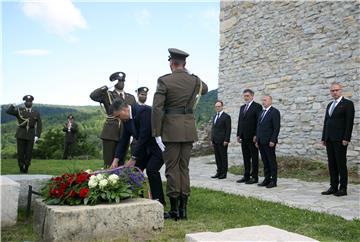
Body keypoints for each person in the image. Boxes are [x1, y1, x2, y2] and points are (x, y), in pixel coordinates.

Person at [152, 48, 208, 220]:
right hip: (188, 129)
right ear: (185, 63)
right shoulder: (195, 81)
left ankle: (175, 210)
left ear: (171, 63)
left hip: (170, 130)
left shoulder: (164, 80)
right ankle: (184, 210)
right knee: (184, 168)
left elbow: (157, 108)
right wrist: (190, 74)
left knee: (172, 168)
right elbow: (204, 89)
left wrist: (156, 133)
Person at [109, 98, 167, 210]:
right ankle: (138, 199)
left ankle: (159, 201)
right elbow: (123, 140)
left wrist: (133, 158)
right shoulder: (125, 121)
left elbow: (144, 137)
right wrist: (116, 159)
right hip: (145, 148)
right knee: (135, 170)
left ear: (125, 109)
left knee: (152, 170)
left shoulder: (143, 111)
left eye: (118, 116)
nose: (118, 119)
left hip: (158, 146)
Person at [90, 71, 136, 167]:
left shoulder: (131, 97)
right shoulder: (107, 95)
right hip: (110, 131)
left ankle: (119, 181)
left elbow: (133, 114)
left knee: (121, 160)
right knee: (109, 162)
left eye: (123, 80)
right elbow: (93, 96)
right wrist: (107, 86)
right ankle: (107, 180)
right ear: (114, 82)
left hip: (126, 130)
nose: (121, 82)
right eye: (118, 81)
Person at [321, 82, 355, 197]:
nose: (334, 92)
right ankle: (333, 186)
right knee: (332, 163)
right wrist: (324, 137)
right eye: (332, 91)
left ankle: (343, 188)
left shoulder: (347, 104)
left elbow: (349, 122)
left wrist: (346, 138)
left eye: (336, 90)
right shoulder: (330, 104)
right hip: (329, 138)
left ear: (341, 90)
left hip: (340, 139)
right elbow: (326, 121)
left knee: (341, 163)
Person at [6, 95, 42, 173]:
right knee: (21, 152)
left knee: (29, 153)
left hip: (31, 134)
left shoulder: (35, 112)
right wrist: (13, 105)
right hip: (21, 134)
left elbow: (39, 125)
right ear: (24, 102)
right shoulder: (20, 110)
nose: (29, 103)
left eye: (30, 102)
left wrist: (37, 135)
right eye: (27, 101)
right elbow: (8, 111)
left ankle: (27, 166)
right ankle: (21, 167)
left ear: (32, 103)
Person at [236, 89, 262, 184]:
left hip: (252, 137)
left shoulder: (257, 106)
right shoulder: (242, 107)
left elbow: (259, 122)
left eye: (247, 96)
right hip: (243, 137)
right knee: (246, 157)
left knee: (254, 157)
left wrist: (256, 135)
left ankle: (254, 177)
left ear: (252, 96)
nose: (245, 97)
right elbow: (240, 122)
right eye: (244, 96)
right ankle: (246, 176)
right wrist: (238, 134)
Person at [255, 95, 280, 189]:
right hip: (261, 141)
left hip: (269, 141)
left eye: (265, 100)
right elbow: (258, 127)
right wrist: (257, 140)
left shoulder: (274, 112)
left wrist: (273, 140)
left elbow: (276, 128)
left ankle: (274, 180)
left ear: (270, 101)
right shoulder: (261, 112)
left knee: (271, 161)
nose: (263, 102)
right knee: (265, 161)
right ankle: (267, 179)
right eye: (262, 100)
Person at [210, 100, 231, 179]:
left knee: (223, 157)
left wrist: (226, 140)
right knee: (217, 157)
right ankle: (218, 172)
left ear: (222, 107)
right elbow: (213, 129)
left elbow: (228, 129)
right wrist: (212, 139)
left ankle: (223, 173)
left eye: (219, 106)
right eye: (216, 107)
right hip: (215, 140)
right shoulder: (215, 116)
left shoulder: (226, 117)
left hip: (223, 141)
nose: (217, 108)